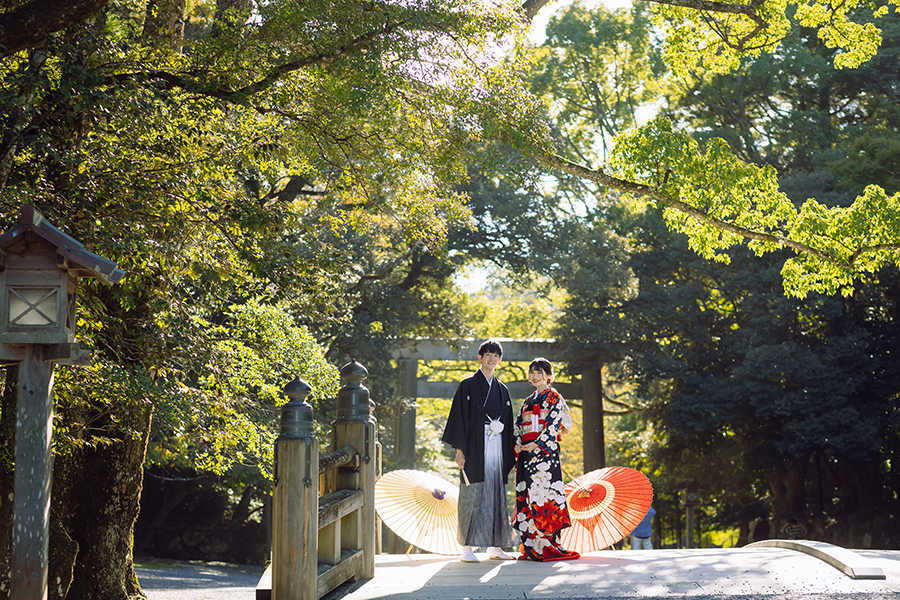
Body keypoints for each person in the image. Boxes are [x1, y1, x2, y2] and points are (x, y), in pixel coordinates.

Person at [441, 339, 516, 562]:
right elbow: (459, 418)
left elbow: (510, 421)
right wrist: (460, 451)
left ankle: (495, 545)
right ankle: (467, 546)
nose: (492, 359)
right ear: (480, 357)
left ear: (500, 360)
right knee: (472, 493)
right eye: (488, 355)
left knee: (496, 492)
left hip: (497, 445)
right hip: (474, 446)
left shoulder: (502, 389)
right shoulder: (467, 385)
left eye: (496, 356)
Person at [513, 357, 580, 562]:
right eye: (532, 372)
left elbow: (553, 424)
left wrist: (536, 444)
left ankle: (549, 544)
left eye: (540, 373)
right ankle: (532, 544)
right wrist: (517, 443)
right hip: (526, 453)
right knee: (527, 495)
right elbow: (518, 423)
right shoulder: (527, 401)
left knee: (545, 495)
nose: (535, 376)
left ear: (549, 376)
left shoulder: (553, 397)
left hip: (544, 454)